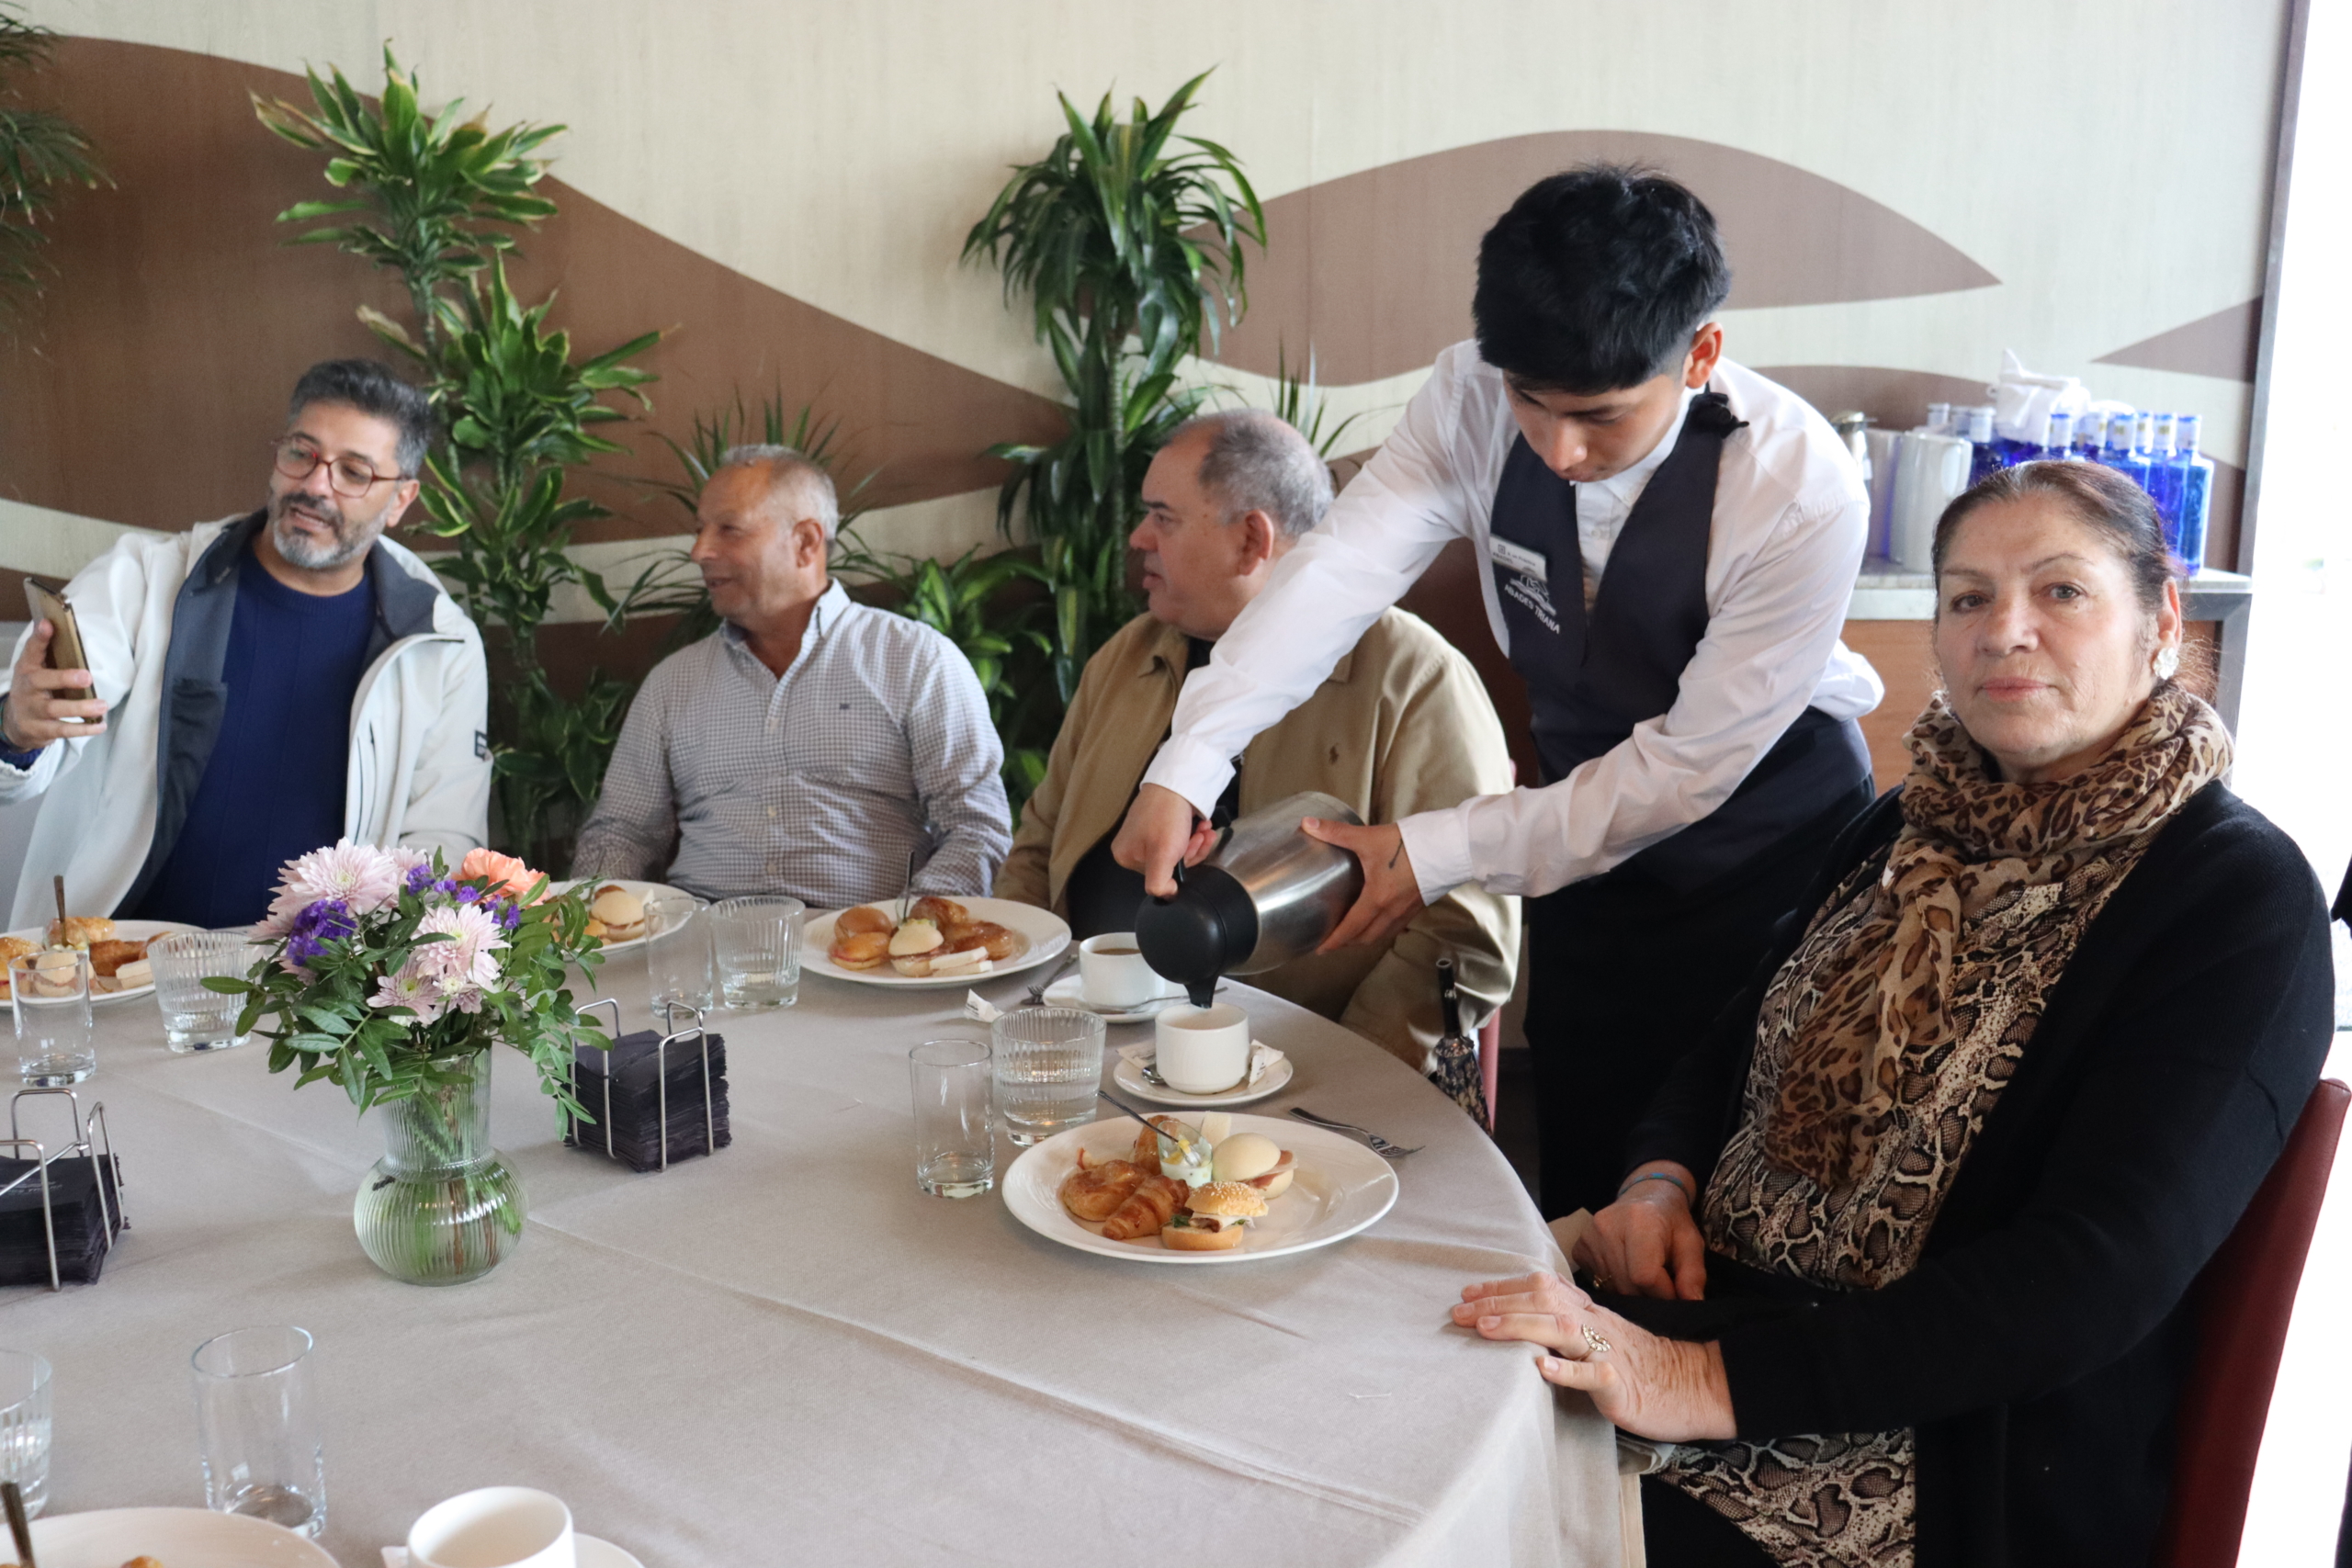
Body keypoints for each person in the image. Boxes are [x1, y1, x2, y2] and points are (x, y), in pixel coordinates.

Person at [1449, 461, 2335, 1566]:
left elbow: (2089, 1276)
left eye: (2060, 591)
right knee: (1409, 1390)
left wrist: (1698, 1378)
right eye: (1968, 597)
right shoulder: (1908, 825)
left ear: (2160, 620)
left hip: (1943, 1450)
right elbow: (1735, 1038)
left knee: (1478, 1523)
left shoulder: (2232, 900)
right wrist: (1657, 1183)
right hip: (1716, 1321)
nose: (2003, 630)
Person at [1111, 165, 1883, 1215]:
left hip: (1764, 848)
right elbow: (1336, 575)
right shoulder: (1468, 399)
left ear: (1700, 354)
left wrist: (1432, 853)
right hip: (1577, 849)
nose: (1558, 449)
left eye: (1600, 417)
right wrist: (1187, 762)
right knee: (1585, 1174)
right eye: (1530, 401)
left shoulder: (1799, 489)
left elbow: (1682, 772)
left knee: (1742, 1181)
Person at [996, 411, 1519, 1071]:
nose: (1137, 537)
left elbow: (1465, 932)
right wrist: (1015, 1011)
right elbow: (1037, 848)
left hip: (1306, 1072)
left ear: (1250, 540)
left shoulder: (1413, 677)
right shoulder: (1125, 659)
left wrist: (1335, 1075)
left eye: (1162, 517)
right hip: (1082, 1046)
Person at [0, 359, 490, 930]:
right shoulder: (145, 579)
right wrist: (15, 729)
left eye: (353, 472)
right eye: (302, 453)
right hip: (123, 956)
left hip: (323, 973)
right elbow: (38, 732)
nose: (315, 486)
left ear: (401, 499)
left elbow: (442, 840)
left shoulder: (440, 641)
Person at [573, 446, 1012, 909]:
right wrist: (590, 917)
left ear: (805, 542)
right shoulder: (672, 682)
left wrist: (908, 928)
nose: (699, 551)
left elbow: (975, 828)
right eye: (700, 529)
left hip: (863, 941)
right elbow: (622, 831)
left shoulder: (917, 660)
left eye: (728, 528)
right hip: (702, 940)